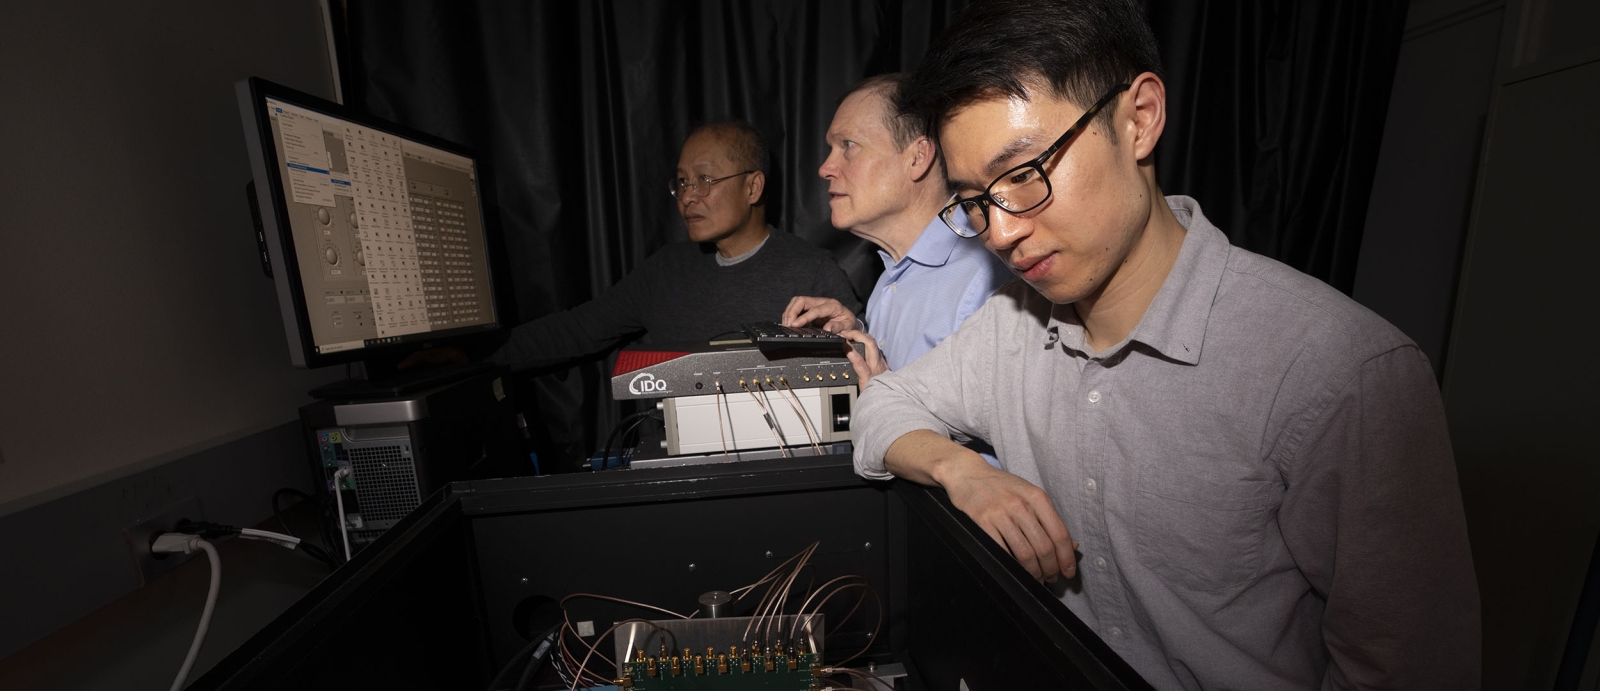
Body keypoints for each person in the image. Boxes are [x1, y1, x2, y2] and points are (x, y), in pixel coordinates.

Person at [852, 1, 1480, 689]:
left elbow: (1407, 667)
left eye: (1026, 173)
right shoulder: (1012, 324)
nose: (999, 232)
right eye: (975, 201)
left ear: (1139, 118)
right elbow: (883, 404)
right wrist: (963, 470)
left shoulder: (1343, 372)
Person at [483, 120, 860, 371]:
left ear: (752, 187)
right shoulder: (664, 271)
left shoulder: (812, 272)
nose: (687, 197)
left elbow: (865, 357)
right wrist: (475, 357)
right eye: (681, 182)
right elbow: (577, 329)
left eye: (704, 180)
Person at [781, 74, 1010, 388]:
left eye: (848, 145)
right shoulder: (894, 275)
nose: (825, 168)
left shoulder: (988, 280)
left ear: (917, 158)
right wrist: (857, 337)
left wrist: (885, 393)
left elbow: (997, 433)